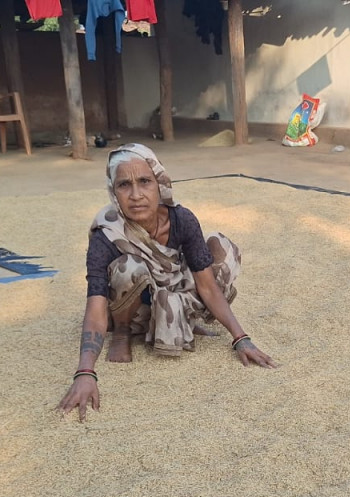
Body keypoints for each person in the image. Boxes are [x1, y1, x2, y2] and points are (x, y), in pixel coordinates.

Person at [57, 144, 276, 420]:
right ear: (113, 191)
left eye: (144, 181)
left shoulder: (182, 220)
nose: (136, 195)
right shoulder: (106, 235)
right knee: (129, 267)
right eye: (124, 185)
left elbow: (207, 285)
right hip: (132, 307)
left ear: (160, 183)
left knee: (221, 249)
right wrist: (85, 371)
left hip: (170, 293)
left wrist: (241, 338)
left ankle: (185, 319)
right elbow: (96, 306)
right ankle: (124, 332)